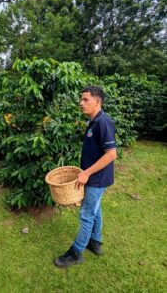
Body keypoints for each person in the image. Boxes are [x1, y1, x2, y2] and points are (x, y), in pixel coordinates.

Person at [54, 86, 117, 268]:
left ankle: (76, 252)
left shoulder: (104, 122)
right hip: (94, 178)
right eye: (80, 99)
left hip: (97, 178)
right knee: (95, 209)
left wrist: (87, 172)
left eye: (85, 99)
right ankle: (95, 242)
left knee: (86, 214)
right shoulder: (94, 121)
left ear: (97, 101)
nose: (81, 103)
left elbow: (111, 154)